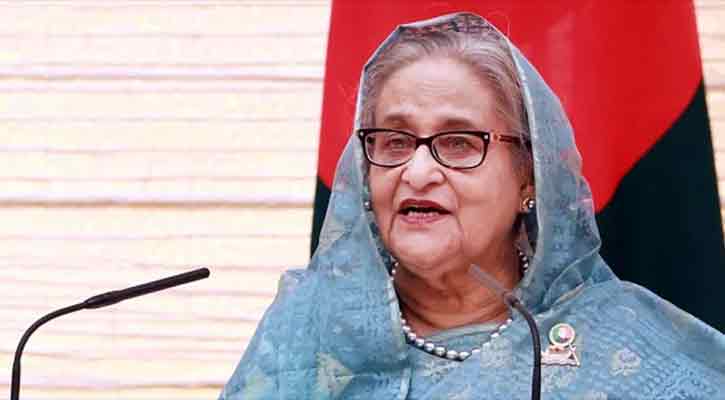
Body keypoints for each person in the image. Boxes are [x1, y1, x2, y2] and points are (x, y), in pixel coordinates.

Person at [219, 12, 725, 399]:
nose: (417, 172)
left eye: (459, 143)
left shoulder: (626, 346)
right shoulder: (304, 332)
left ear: (529, 177)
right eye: (394, 142)